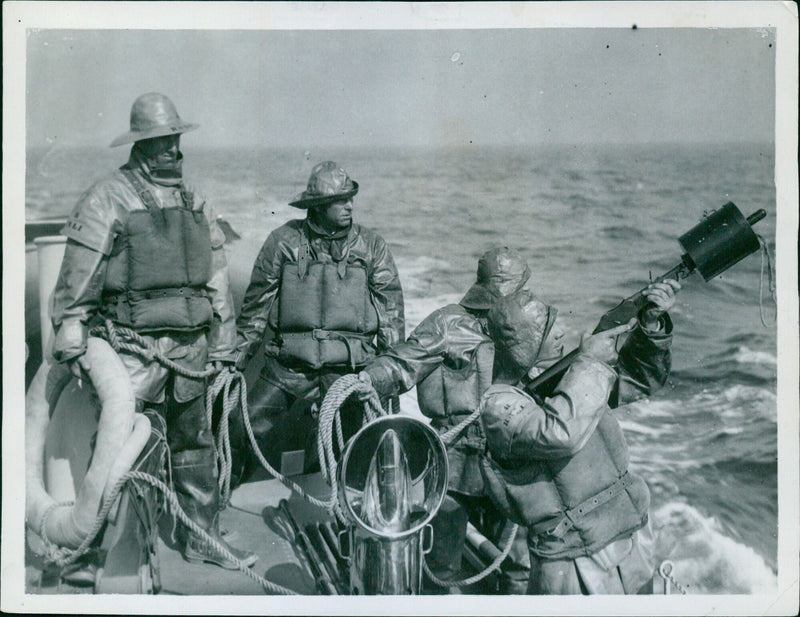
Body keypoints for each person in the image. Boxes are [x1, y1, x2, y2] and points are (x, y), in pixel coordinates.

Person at [51, 92, 257, 570]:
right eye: (160, 141)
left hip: (190, 348)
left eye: (175, 139)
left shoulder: (195, 200)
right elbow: (79, 276)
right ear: (140, 145)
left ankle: (201, 537)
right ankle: (107, 544)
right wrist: (71, 332)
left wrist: (224, 344)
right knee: (119, 446)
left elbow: (216, 279)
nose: (171, 149)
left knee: (195, 446)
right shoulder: (108, 197)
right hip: (132, 348)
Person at [478, 278, 681, 594]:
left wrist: (650, 326)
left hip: (627, 538)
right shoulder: (497, 405)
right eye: (545, 328)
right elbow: (561, 433)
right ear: (517, 343)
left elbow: (639, 382)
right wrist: (588, 362)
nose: (559, 331)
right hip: (573, 562)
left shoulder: (568, 378)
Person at [358, 246, 539, 588]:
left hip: (509, 458)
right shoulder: (447, 323)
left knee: (521, 561)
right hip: (453, 459)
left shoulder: (530, 323)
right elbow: (403, 362)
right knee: (442, 560)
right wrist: (370, 379)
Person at [231, 161, 404, 481]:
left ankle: (357, 513)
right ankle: (228, 502)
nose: (350, 205)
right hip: (289, 370)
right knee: (240, 424)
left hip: (350, 371)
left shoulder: (372, 246)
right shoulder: (282, 241)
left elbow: (390, 318)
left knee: (371, 442)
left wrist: (386, 378)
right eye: (340, 200)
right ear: (318, 206)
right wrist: (234, 362)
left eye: (350, 198)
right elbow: (255, 312)